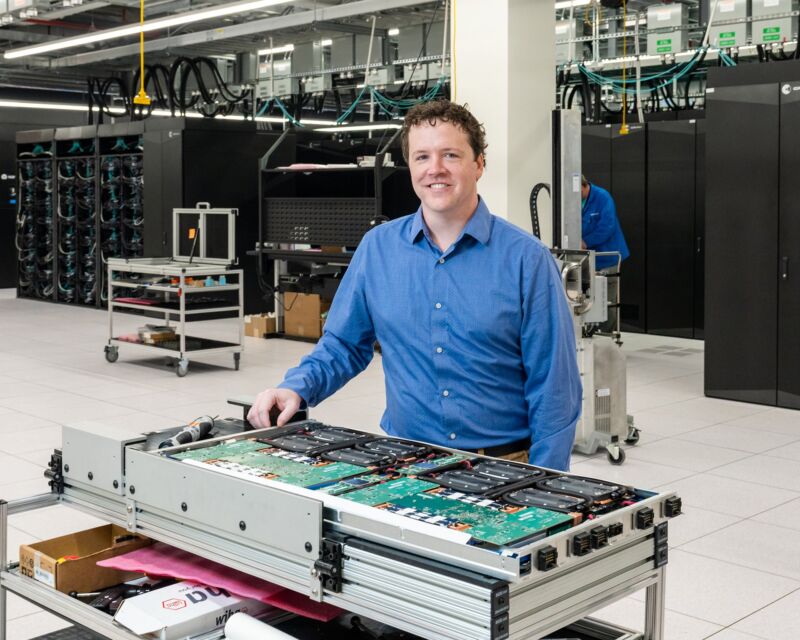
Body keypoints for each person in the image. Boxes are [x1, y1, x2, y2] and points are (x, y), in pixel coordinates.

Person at [248, 100, 582, 471]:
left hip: (505, 464)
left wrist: (546, 480)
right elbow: (343, 344)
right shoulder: (378, 248)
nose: (435, 169)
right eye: (422, 157)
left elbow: (555, 385)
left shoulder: (527, 259)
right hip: (406, 461)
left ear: (479, 164)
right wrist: (297, 387)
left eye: (451, 155)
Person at [580, 176, 629, 270]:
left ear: (583, 186)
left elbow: (607, 226)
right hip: (591, 259)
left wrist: (585, 242)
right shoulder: (575, 201)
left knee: (607, 284)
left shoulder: (603, 197)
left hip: (609, 257)